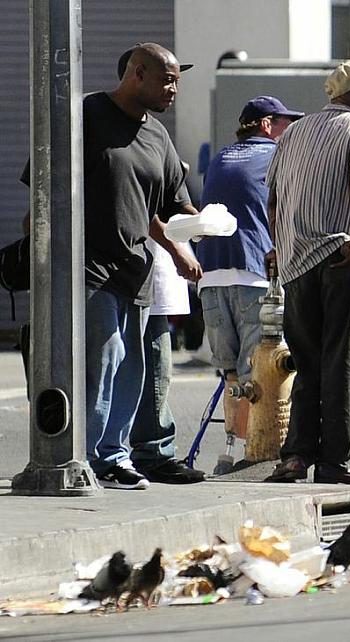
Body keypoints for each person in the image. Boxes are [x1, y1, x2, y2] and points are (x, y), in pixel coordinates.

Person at [73, 43, 198, 489]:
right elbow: (44, 183)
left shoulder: (157, 136)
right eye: (167, 80)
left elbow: (167, 207)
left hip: (136, 268)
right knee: (103, 361)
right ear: (137, 74)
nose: (173, 91)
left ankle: (114, 458)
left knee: (131, 370)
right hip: (89, 267)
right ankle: (83, 459)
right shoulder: (86, 115)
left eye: (177, 83)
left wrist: (185, 242)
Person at [264, 60, 350, 485]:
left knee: (308, 362)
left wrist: (280, 246)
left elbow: (274, 198)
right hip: (340, 255)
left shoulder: (295, 132)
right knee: (345, 363)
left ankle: (296, 457)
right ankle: (337, 460)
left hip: (296, 262)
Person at [197, 96, 303, 461]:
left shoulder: (219, 159)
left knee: (232, 377)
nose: (288, 131)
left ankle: (231, 453)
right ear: (266, 124)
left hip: (211, 275)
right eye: (284, 123)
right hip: (255, 274)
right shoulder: (276, 156)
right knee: (259, 373)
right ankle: (255, 455)